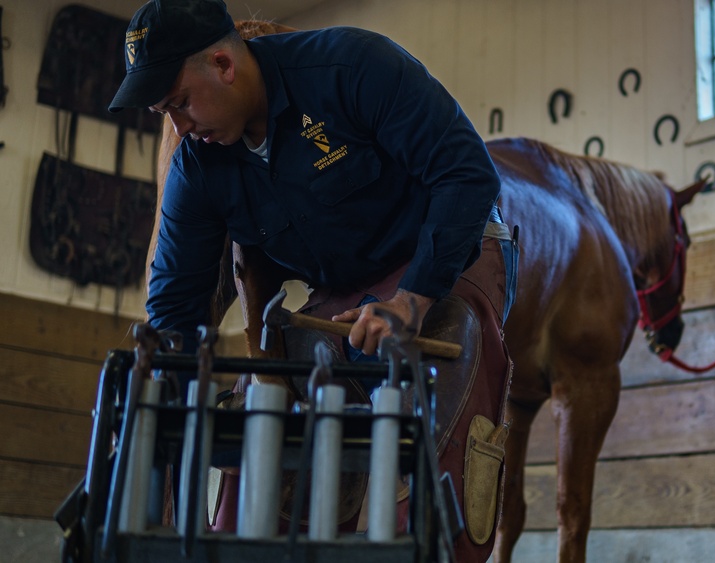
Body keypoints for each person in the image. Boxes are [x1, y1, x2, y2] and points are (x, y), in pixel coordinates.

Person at [109, 0, 516, 560]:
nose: (180, 128)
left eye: (180, 103)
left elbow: (466, 175)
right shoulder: (197, 166)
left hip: (450, 254)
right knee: (271, 398)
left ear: (224, 64)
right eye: (164, 112)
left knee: (442, 362)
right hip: (343, 285)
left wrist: (412, 300)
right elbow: (176, 307)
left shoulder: (350, 67)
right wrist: (171, 409)